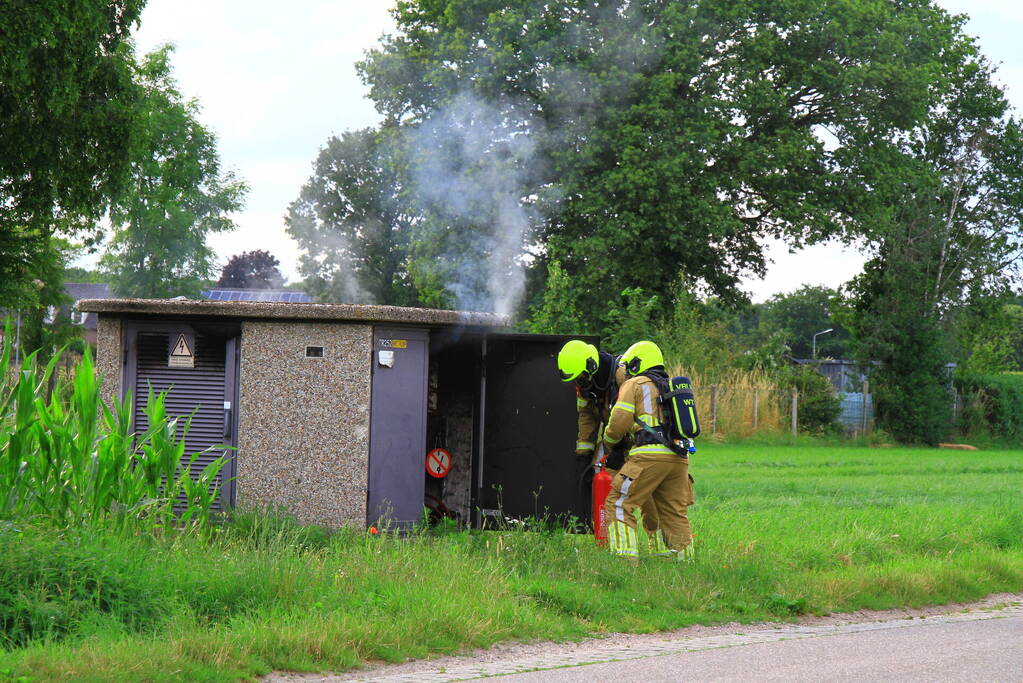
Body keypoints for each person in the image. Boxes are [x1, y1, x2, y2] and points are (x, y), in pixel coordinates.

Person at [557, 339, 660, 539]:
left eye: (582, 377)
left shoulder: (623, 377)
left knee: (648, 493)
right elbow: (586, 417)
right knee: (608, 491)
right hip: (613, 441)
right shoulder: (586, 385)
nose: (580, 382)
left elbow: (636, 415)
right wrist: (583, 455)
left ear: (592, 365)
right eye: (576, 379)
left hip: (639, 443)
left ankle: (658, 540)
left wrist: (622, 448)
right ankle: (607, 537)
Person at [601, 340, 694, 561]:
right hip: (679, 458)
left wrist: (608, 440)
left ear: (635, 363)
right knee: (674, 512)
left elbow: (619, 422)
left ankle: (624, 558)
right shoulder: (672, 387)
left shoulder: (635, 385)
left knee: (619, 503)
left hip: (648, 456)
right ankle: (686, 563)